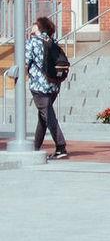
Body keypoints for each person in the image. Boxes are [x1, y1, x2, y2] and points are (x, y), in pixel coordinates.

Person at [6, 17, 67, 159]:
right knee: (43, 117)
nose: (32, 26)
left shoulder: (33, 42)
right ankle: (35, 147)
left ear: (40, 28)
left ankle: (61, 146)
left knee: (48, 116)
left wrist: (14, 73)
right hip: (54, 85)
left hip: (39, 86)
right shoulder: (52, 42)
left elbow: (24, 62)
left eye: (35, 25)